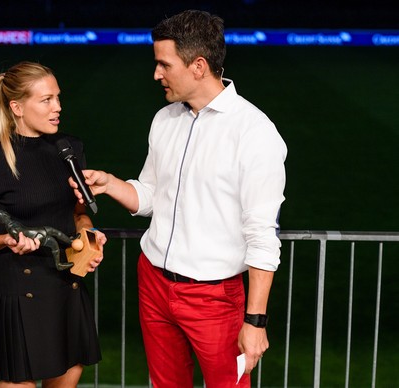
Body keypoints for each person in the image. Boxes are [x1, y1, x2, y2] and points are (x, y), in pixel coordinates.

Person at [70, 10, 287, 388]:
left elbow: (262, 236)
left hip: (214, 298)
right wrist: (110, 183)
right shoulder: (164, 119)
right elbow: (152, 197)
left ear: (198, 66)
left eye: (163, 64)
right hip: (153, 282)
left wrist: (255, 322)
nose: (156, 74)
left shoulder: (255, 133)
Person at [0, 61, 106, 388]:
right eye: (46, 100)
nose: (58, 107)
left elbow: (78, 213)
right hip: (18, 292)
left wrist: (89, 234)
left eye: (58, 97)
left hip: (66, 283)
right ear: (17, 107)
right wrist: (4, 241)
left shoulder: (70, 150)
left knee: (70, 373)